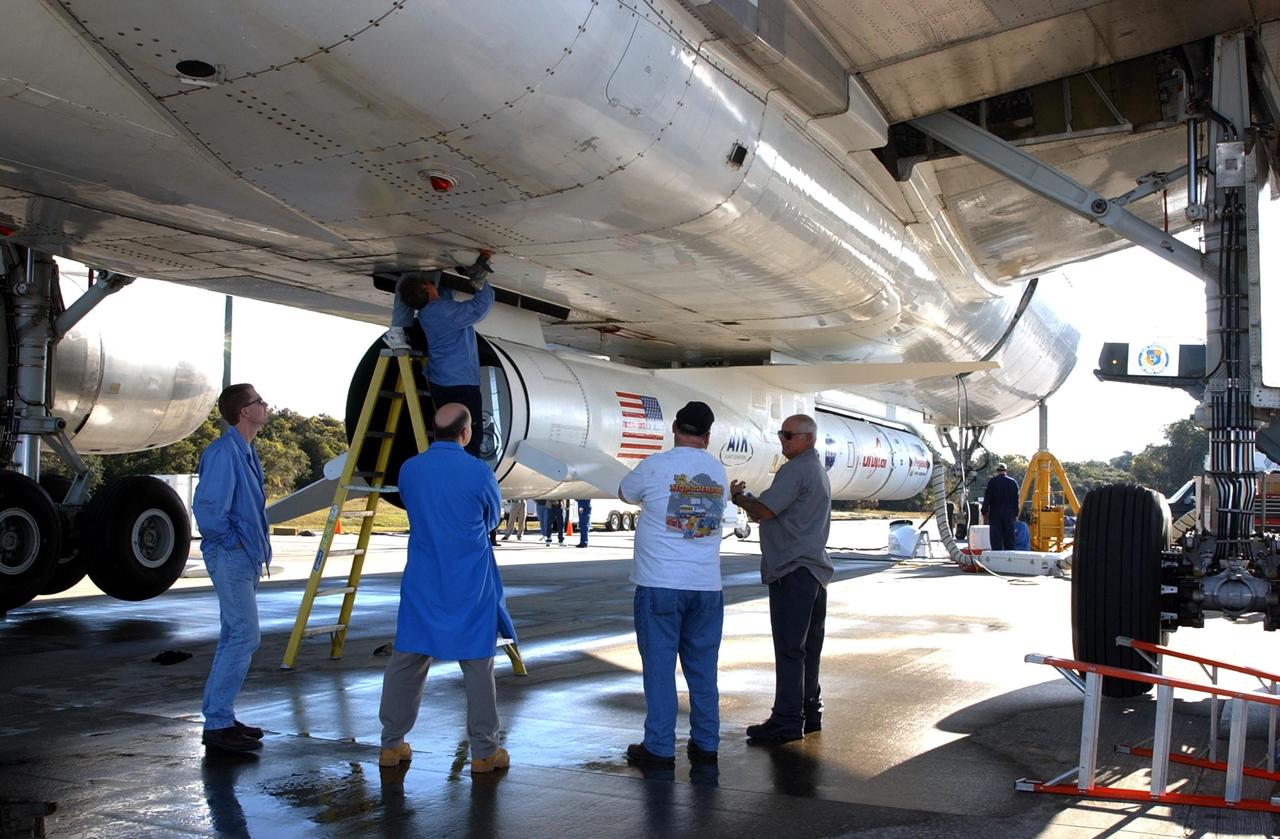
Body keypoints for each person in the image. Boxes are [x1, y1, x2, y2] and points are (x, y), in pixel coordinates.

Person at [377, 403, 514, 775]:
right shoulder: (478, 472)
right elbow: (492, 517)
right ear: (466, 433)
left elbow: (414, 506)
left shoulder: (411, 469)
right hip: (469, 580)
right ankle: (485, 752)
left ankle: (391, 744)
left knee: (407, 661)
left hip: (423, 578)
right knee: (477, 665)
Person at [618, 401, 731, 767]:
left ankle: (661, 747)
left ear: (674, 429)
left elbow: (625, 493)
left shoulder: (655, 466)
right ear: (708, 436)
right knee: (702, 669)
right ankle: (706, 743)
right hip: (707, 587)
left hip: (660, 584)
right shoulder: (718, 472)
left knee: (660, 669)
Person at [730, 414, 831, 744]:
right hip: (813, 571)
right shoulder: (815, 469)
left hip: (793, 569)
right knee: (807, 648)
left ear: (808, 439)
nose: (783, 440)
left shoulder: (797, 469)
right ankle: (809, 711)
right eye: (781, 434)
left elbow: (765, 511)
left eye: (789, 435)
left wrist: (740, 498)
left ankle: (787, 720)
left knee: (790, 649)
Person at [193, 383, 272, 753]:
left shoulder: (246, 451)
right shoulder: (224, 453)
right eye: (259, 401)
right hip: (232, 556)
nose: (265, 405)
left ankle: (221, 716)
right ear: (244, 412)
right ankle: (217, 725)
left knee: (233, 635)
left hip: (244, 556)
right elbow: (209, 510)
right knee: (244, 635)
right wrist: (232, 544)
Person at [387, 252, 495, 458]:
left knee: (464, 431)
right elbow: (479, 306)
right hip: (451, 381)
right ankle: (462, 464)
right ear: (428, 289)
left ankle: (466, 465)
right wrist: (480, 284)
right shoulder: (442, 311)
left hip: (453, 381)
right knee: (465, 431)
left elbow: (471, 306)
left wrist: (479, 280)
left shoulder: (434, 311)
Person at [981, 463, 1020, 551]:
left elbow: (987, 498)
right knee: (1009, 538)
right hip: (1009, 514)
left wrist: (984, 511)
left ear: (997, 471)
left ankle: (997, 558)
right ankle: (1009, 558)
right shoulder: (1013, 482)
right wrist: (1016, 513)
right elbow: (1016, 500)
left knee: (996, 539)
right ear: (1006, 471)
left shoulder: (992, 482)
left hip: (995, 514)